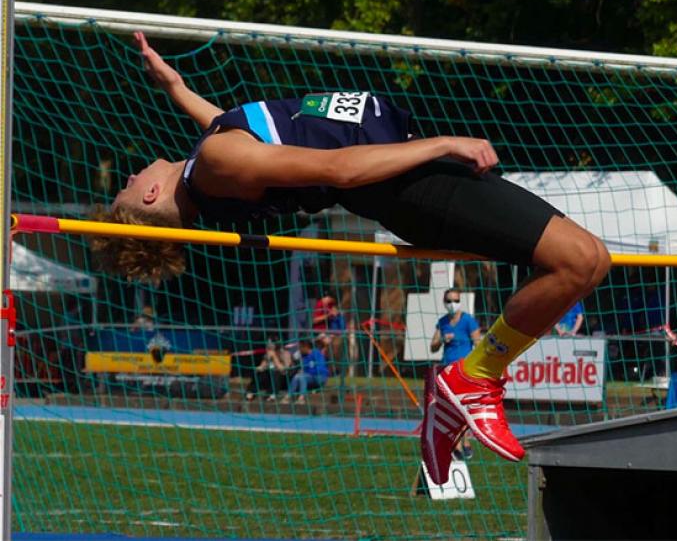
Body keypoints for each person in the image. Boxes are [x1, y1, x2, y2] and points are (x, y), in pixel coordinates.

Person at [93, 33, 611, 484]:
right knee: (579, 260)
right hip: (408, 187)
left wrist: (174, 86)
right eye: (128, 186)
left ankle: (456, 398)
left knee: (589, 262)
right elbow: (340, 169)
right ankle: (469, 380)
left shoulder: (213, 163)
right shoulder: (217, 161)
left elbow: (224, 129)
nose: (131, 175)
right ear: (148, 196)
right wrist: (442, 144)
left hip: (406, 181)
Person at [430, 287, 481, 460]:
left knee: (463, 407)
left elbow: (478, 343)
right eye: (449, 300)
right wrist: (443, 339)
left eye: (456, 300)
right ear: (445, 303)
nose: (453, 304)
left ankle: (464, 441)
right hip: (447, 369)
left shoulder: (468, 321)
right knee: (452, 407)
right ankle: (457, 444)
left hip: (465, 370)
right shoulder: (442, 322)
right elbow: (433, 346)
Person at [282, 339, 329, 404]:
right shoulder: (303, 357)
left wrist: (307, 373)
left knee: (302, 376)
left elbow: (320, 369)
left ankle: (301, 398)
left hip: (320, 377)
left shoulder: (316, 353)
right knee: (297, 376)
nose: (299, 349)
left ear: (306, 347)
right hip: (309, 378)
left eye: (300, 347)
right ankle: (288, 396)